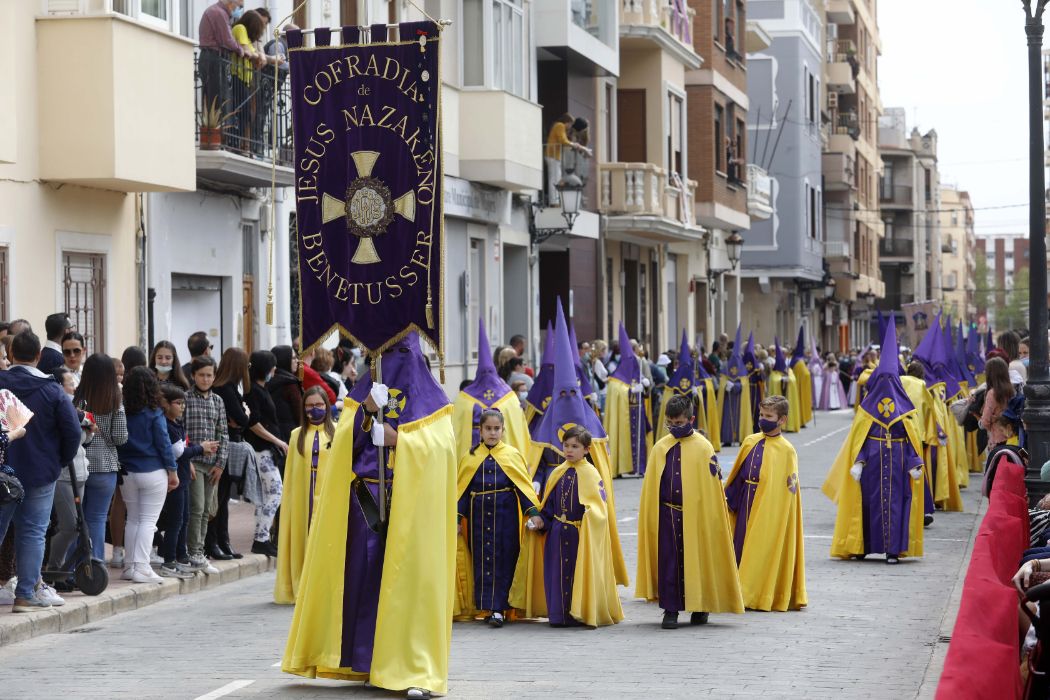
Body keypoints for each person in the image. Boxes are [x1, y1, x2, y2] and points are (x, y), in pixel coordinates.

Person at [282, 334, 456, 698]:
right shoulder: (361, 395)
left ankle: (413, 666)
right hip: (366, 498)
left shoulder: (434, 404)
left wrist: (399, 440)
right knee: (364, 575)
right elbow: (344, 443)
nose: (389, 362)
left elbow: (440, 452)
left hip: (412, 506)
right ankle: (366, 658)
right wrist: (365, 416)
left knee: (407, 581)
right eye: (382, 353)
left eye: (398, 353)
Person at [636, 395, 743, 628]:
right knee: (670, 561)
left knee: (699, 558)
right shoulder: (660, 447)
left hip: (696, 515)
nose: (674, 427)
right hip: (667, 514)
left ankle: (700, 606)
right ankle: (670, 609)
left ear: (691, 419)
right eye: (670, 423)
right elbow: (651, 485)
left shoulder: (704, 448)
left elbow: (711, 486)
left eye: (679, 423)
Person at [822, 321, 925, 564]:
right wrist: (858, 461)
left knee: (897, 506)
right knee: (867, 505)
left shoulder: (906, 411)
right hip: (871, 467)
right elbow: (858, 440)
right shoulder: (866, 411)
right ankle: (861, 545)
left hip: (899, 465)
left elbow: (911, 439)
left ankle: (893, 550)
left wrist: (914, 462)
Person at [511, 426, 624, 628]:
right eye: (566, 445)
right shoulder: (558, 472)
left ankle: (579, 612)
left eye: (575, 446)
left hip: (579, 535)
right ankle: (559, 615)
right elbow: (549, 506)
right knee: (557, 573)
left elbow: (599, 508)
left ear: (587, 450)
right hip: (556, 534)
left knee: (576, 573)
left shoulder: (591, 474)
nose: (569, 450)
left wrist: (591, 517)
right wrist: (540, 521)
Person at [0, 331, 80, 611]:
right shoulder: (52, 390)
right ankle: (25, 594)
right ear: (39, 356)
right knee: (33, 532)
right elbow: (72, 433)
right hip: (40, 471)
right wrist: (57, 461)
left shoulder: (1, 384)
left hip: (2, 470)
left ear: (11, 355)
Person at [455, 409, 539, 627]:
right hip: (479, 517)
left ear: (503, 430)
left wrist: (533, 512)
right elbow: (462, 490)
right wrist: (457, 518)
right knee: (483, 560)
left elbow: (523, 488)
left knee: (504, 558)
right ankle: (486, 606)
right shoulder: (471, 456)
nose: (492, 433)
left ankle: (500, 608)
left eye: (496, 429)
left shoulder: (512, 455)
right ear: (480, 430)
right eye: (488, 429)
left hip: (506, 515)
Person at [723, 395, 807, 611]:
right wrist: (727, 496)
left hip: (768, 509)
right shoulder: (750, 441)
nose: (763, 419)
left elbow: (787, 489)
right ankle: (738, 591)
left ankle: (756, 593)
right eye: (761, 414)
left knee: (760, 550)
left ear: (782, 420)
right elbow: (738, 473)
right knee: (740, 545)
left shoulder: (787, 450)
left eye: (768, 416)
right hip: (745, 502)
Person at [115, 367, 177, 584]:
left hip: (127, 471)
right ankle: (142, 567)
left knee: (132, 519)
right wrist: (173, 471)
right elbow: (163, 443)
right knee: (148, 522)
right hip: (153, 470)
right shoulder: (155, 412)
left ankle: (130, 566)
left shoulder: (122, 410)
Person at [273, 387, 333, 604]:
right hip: (303, 498)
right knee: (303, 538)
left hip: (327, 498)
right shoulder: (296, 435)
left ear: (326, 406)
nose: (314, 409)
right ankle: (303, 586)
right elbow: (291, 474)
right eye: (309, 405)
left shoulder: (337, 432)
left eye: (318, 405)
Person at [157, 385, 217, 579]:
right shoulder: (166, 425)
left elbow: (184, 447)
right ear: (165, 404)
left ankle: (182, 558)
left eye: (183, 403)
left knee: (184, 518)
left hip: (183, 478)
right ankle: (169, 561)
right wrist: (200, 448)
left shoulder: (177, 424)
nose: (182, 407)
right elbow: (178, 452)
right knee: (175, 522)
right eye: (178, 403)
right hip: (175, 480)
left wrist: (197, 450)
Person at [75, 354, 128, 568]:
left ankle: (74, 566)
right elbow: (121, 437)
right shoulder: (115, 399)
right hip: (105, 466)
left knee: (76, 520)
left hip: (78, 464)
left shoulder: (78, 398)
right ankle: (95, 565)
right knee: (96, 517)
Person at [452, 320, 530, 460]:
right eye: (484, 373)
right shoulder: (508, 397)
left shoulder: (464, 398)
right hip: (472, 460)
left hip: (504, 461)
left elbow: (517, 431)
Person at [44, 367, 92, 585]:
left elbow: (84, 441)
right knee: (70, 525)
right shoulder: (57, 408)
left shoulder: (76, 409)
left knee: (78, 524)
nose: (74, 388)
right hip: (64, 474)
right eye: (70, 384)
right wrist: (84, 428)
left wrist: (87, 431)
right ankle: (54, 570)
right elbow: (66, 439)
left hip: (80, 470)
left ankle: (63, 570)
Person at [184, 356, 230, 573]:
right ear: (193, 376)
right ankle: (193, 551)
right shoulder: (185, 399)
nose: (205, 379)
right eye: (201, 375)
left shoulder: (218, 401)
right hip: (193, 462)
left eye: (209, 375)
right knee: (197, 507)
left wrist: (220, 464)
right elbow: (180, 432)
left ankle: (199, 551)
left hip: (212, 465)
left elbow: (223, 434)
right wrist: (186, 460)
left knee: (207, 511)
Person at [604, 322, 652, 477]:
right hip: (624, 418)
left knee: (640, 439)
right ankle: (621, 467)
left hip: (638, 411)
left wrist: (644, 386)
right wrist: (631, 390)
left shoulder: (635, 370)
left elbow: (642, 387)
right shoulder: (615, 379)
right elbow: (618, 390)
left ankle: (639, 467)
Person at [717, 327, 753, 446]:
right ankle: (727, 439)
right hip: (728, 400)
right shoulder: (725, 367)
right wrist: (724, 385)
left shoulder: (742, 370)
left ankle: (740, 437)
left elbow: (744, 385)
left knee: (739, 419)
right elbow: (721, 380)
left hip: (739, 400)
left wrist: (735, 386)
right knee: (727, 419)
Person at [269, 345, 304, 444]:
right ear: (284, 360)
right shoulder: (290, 384)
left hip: (274, 434)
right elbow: (300, 413)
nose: (297, 361)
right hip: (290, 435)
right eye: (293, 358)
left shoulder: (269, 380)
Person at [980, 357, 1015, 450]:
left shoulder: (992, 393)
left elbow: (985, 421)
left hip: (997, 438)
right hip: (1011, 435)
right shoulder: (1011, 390)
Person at [767, 340, 801, 433]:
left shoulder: (789, 369)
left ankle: (789, 425)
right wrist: (781, 381)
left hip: (788, 395)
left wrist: (788, 379)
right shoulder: (774, 371)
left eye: (785, 353)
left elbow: (793, 379)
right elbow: (774, 380)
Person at [544, 113, 575, 204]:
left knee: (555, 178)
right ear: (567, 122)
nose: (570, 127)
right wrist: (573, 144)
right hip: (553, 155)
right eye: (570, 124)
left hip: (553, 155)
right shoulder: (560, 125)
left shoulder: (558, 126)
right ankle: (554, 201)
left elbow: (563, 140)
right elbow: (563, 140)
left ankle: (555, 201)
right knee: (555, 178)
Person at [789, 327, 813, 428]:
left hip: (797, 385)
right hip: (799, 386)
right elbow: (806, 374)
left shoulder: (796, 360)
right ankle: (801, 420)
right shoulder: (799, 361)